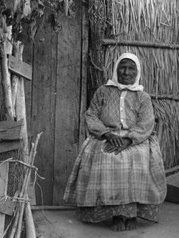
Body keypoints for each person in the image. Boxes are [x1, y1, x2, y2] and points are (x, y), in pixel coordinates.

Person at [63, 53, 167, 231]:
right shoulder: (103, 91)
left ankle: (132, 213)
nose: (126, 72)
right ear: (116, 69)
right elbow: (91, 115)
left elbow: (146, 123)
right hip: (107, 135)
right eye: (122, 67)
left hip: (136, 138)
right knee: (104, 156)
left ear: (138, 72)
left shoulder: (143, 97)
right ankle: (116, 215)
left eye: (131, 68)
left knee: (139, 156)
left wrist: (129, 140)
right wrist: (106, 134)